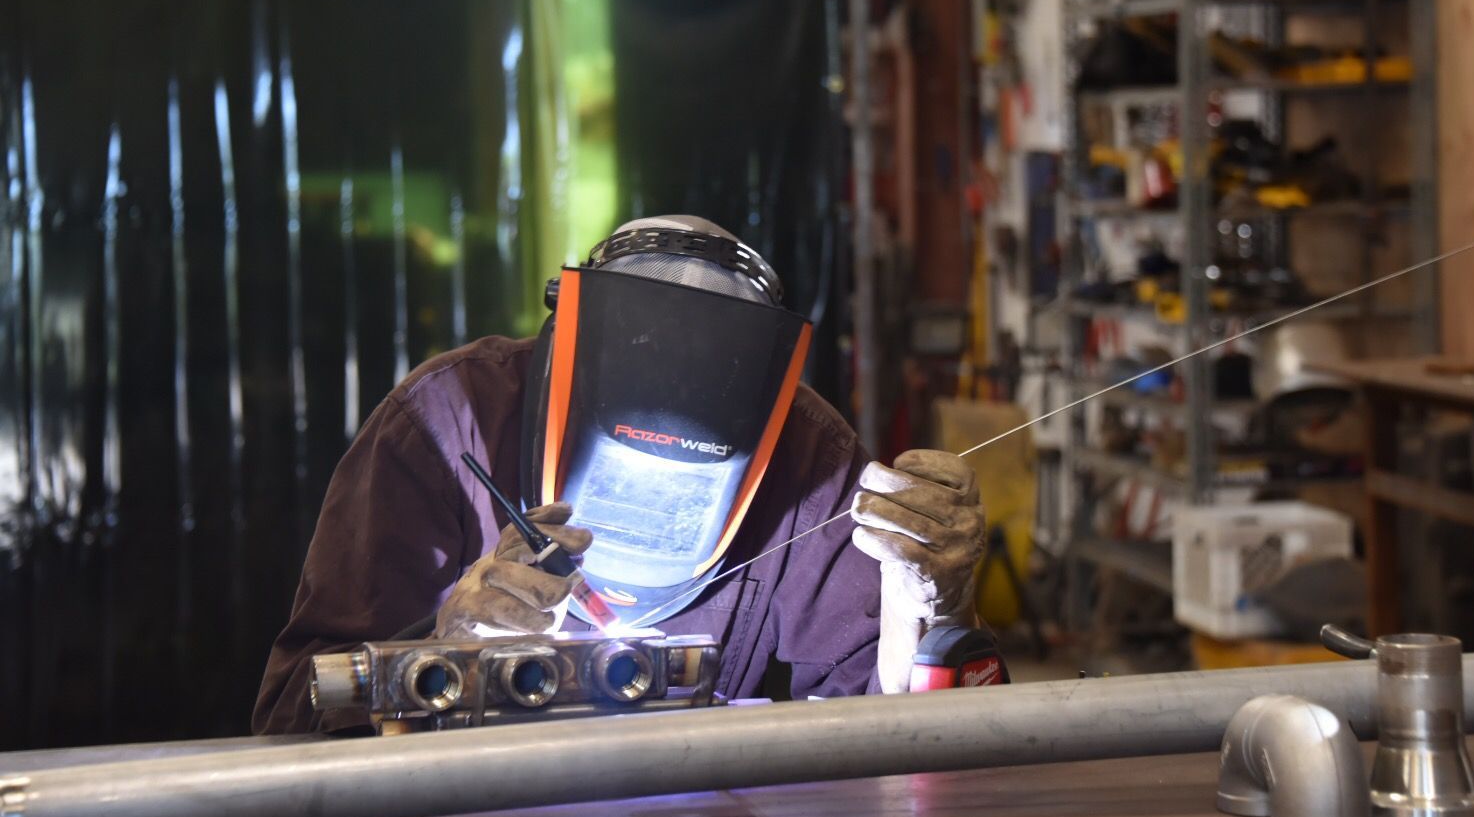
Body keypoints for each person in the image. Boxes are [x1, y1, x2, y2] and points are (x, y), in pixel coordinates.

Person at [253, 216, 987, 733]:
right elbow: (292, 714)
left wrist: (937, 611)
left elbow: (910, 751)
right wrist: (445, 652)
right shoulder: (447, 423)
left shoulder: (812, 462)